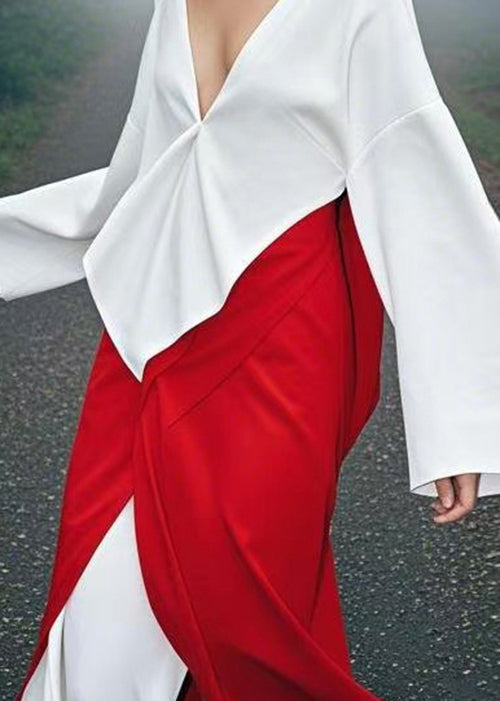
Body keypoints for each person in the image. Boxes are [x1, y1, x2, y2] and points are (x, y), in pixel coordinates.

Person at [1, 0, 499, 699]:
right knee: (93, 620)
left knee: (249, 618)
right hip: (145, 344)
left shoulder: (363, 8)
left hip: (279, 353)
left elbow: (417, 178)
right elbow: (142, 175)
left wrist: (459, 419)